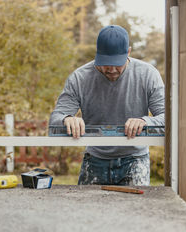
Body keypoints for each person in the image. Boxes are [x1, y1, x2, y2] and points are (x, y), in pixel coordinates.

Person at [49, 25, 165, 186]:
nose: (111, 69)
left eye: (117, 63)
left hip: (134, 159)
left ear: (129, 52)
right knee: (85, 209)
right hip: (95, 159)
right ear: (97, 54)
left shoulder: (148, 74)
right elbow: (55, 119)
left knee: (135, 209)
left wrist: (146, 122)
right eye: (105, 63)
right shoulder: (79, 78)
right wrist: (67, 119)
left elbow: (168, 119)